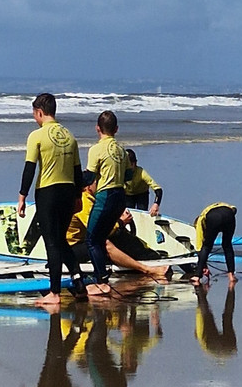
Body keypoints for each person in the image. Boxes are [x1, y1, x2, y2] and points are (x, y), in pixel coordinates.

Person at [18, 92, 87, 306]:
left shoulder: (36, 136)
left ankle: (54, 292)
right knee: (60, 239)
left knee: (52, 242)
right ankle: (78, 282)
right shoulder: (70, 136)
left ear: (39, 112)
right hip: (68, 191)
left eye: (34, 114)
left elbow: (29, 168)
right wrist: (78, 196)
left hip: (48, 192)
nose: (34, 118)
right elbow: (77, 171)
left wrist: (22, 196)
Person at [67, 173, 167, 281]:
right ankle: (146, 269)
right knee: (103, 243)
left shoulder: (92, 198)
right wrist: (120, 222)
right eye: (97, 182)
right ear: (88, 187)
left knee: (117, 236)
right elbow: (97, 229)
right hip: (72, 248)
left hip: (84, 240)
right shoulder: (84, 200)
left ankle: (147, 256)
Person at [84, 110, 130, 295]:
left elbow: (89, 177)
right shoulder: (122, 151)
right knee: (100, 238)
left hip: (106, 196)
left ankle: (101, 281)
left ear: (97, 128)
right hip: (120, 196)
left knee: (91, 239)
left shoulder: (96, 149)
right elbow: (129, 175)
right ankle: (102, 275)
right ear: (116, 129)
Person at [191, 203, 238, 286]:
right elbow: (234, 209)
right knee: (227, 245)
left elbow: (199, 247)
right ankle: (231, 275)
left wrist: (203, 266)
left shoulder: (200, 222)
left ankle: (197, 276)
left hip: (213, 218)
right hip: (229, 214)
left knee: (206, 246)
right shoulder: (220, 206)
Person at [123, 148, 162, 215]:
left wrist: (156, 204)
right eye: (126, 165)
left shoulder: (141, 173)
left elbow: (158, 189)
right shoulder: (121, 172)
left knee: (142, 214)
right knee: (127, 214)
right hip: (128, 195)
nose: (129, 168)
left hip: (142, 194)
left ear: (135, 163)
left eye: (131, 165)